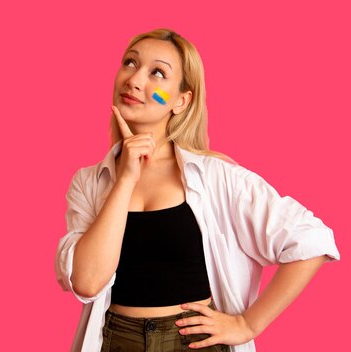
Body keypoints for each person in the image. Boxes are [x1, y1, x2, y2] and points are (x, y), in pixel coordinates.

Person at [54, 28, 340, 352]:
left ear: (180, 101)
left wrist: (247, 324)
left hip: (191, 344)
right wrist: (125, 180)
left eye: (157, 72)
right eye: (130, 63)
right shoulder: (89, 182)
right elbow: (87, 281)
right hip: (117, 341)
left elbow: (312, 239)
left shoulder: (216, 177)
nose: (134, 80)